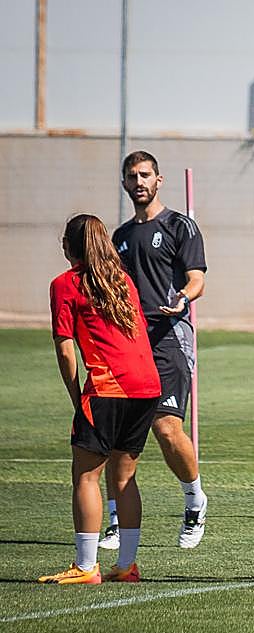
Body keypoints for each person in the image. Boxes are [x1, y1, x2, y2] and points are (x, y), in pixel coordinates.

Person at [39, 214, 161, 585]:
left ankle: (86, 566)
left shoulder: (65, 284)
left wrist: (77, 395)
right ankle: (126, 565)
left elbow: (65, 350)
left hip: (110, 387)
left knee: (85, 475)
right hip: (147, 386)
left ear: (68, 246)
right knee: (123, 477)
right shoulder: (122, 280)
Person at [102, 151, 208, 551]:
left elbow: (197, 279)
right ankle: (116, 518)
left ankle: (194, 500)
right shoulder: (120, 236)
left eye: (145, 175)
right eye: (132, 176)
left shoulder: (180, 226)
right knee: (117, 437)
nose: (139, 182)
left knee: (166, 428)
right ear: (124, 183)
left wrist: (183, 297)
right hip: (129, 342)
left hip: (168, 338)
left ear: (159, 180)